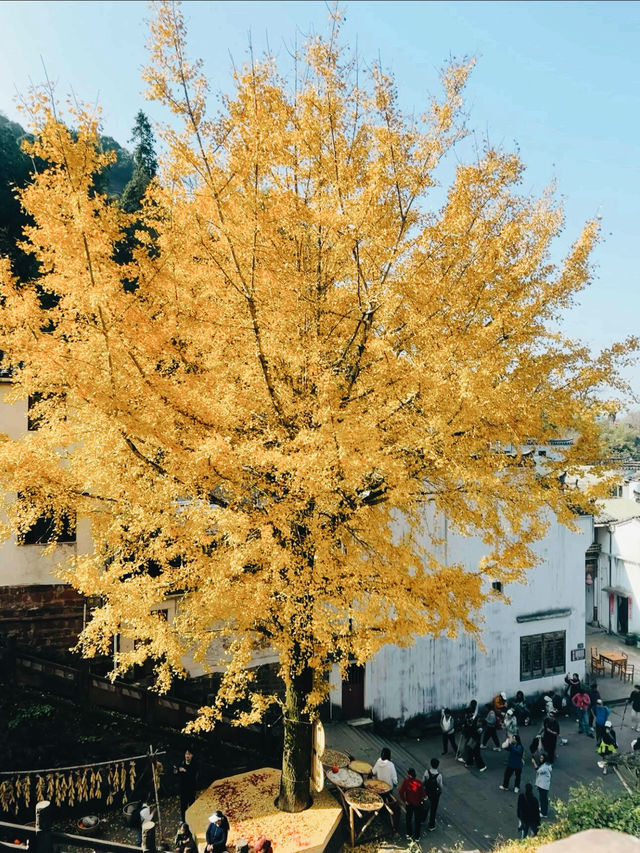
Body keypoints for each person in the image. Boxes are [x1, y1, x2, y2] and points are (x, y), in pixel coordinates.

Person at [398, 768, 425, 839]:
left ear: (409, 775)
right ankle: (417, 836)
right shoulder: (419, 783)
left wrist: (404, 800)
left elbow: (401, 792)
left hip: (409, 803)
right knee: (417, 820)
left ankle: (409, 833)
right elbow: (423, 795)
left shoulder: (406, 782)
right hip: (418, 804)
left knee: (408, 818)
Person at [175, 748, 199, 823]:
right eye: (186, 754)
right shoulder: (182, 763)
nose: (187, 756)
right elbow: (177, 774)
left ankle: (193, 820)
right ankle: (184, 821)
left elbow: (193, 776)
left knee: (191, 804)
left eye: (189, 754)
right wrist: (177, 771)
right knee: (183, 806)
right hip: (183, 789)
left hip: (191, 788)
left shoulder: (194, 764)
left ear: (192, 755)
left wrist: (185, 771)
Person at [423, 758, 443, 832]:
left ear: (431, 764)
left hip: (427, 792)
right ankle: (431, 825)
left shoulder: (426, 772)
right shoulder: (439, 776)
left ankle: (422, 819)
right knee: (433, 809)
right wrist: (440, 792)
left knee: (425, 806)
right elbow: (440, 786)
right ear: (437, 765)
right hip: (435, 794)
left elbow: (423, 782)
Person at [533, 753, 552, 819]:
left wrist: (534, 763)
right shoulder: (547, 765)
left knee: (543, 799)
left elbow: (538, 770)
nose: (540, 759)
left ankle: (544, 813)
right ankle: (543, 809)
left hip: (543, 785)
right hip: (543, 785)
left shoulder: (544, 767)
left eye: (542, 758)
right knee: (542, 798)